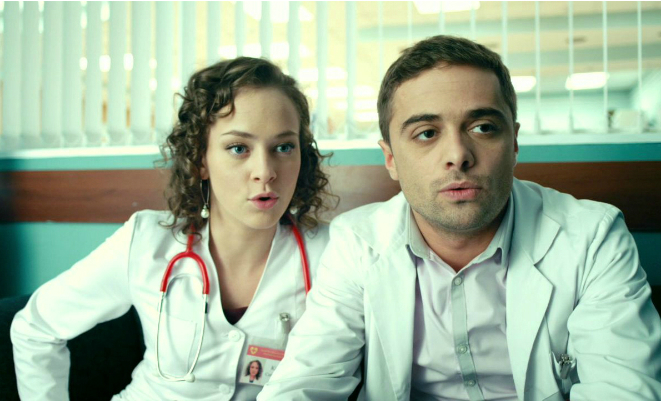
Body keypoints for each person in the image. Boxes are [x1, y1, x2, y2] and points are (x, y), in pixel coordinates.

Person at [258, 35, 661, 401]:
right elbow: (306, 382)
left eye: (483, 127)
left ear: (514, 142)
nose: (458, 155)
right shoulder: (356, 242)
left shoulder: (593, 236)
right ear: (391, 158)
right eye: (427, 133)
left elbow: (623, 389)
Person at [11, 57, 333, 400]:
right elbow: (35, 328)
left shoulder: (332, 253)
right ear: (200, 160)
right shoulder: (147, 242)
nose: (265, 171)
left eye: (284, 147)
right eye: (238, 148)